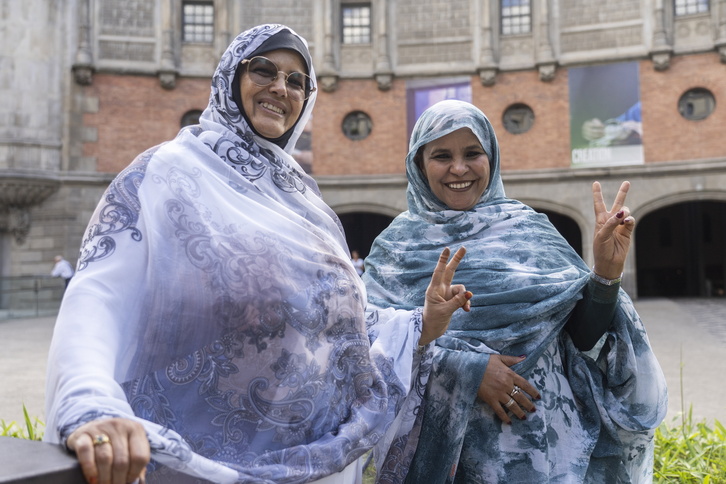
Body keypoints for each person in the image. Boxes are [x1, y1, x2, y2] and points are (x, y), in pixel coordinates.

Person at [44, 25, 473, 484]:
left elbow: (335, 326)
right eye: (263, 70)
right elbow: (98, 298)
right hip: (188, 464)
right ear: (231, 78)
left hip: (317, 465)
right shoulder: (166, 172)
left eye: (296, 81)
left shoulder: (309, 206)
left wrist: (420, 324)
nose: (279, 88)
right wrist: (91, 403)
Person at [363, 100, 668, 483]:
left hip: (550, 457)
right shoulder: (394, 249)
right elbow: (368, 347)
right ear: (419, 165)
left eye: (472, 153)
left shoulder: (532, 230)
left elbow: (581, 340)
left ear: (491, 157)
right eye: (442, 155)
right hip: (448, 463)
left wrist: (606, 273)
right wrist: (466, 371)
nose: (459, 168)